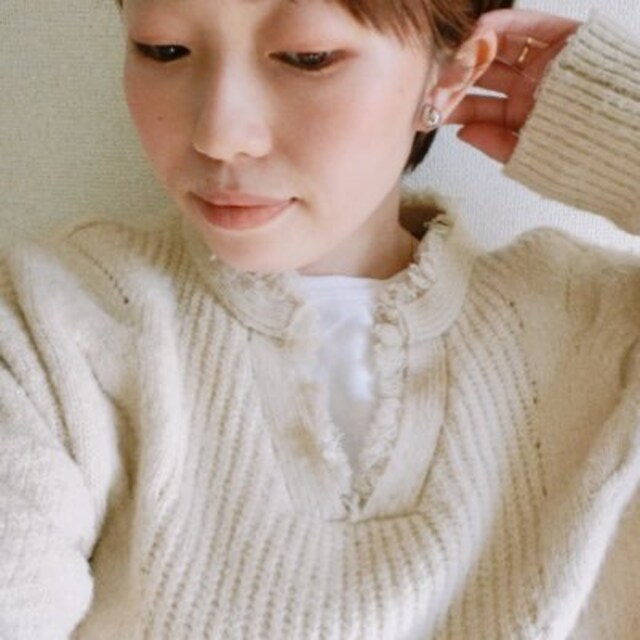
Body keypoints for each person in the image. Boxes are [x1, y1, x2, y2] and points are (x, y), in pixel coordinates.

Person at [0, 0, 639, 638]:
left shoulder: (605, 337)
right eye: (164, 51)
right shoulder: (48, 324)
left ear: (450, 75)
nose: (219, 135)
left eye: (308, 59)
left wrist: (620, 123)